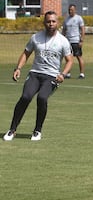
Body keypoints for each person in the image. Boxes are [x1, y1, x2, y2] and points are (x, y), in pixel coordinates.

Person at [3, 11, 73, 141]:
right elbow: (26, 54)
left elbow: (70, 60)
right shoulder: (36, 37)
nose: (51, 24)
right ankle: (12, 130)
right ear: (44, 23)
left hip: (51, 76)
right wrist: (18, 68)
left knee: (42, 98)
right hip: (35, 74)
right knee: (25, 97)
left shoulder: (63, 41)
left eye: (53, 21)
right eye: (48, 21)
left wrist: (63, 74)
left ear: (57, 23)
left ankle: (37, 131)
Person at [62, 4, 86, 79]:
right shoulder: (66, 19)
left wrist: (81, 40)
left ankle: (82, 73)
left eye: (72, 10)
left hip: (76, 40)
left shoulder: (78, 18)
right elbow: (64, 30)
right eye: (69, 10)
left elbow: (82, 29)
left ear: (75, 10)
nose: (70, 11)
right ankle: (68, 73)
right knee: (68, 57)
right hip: (68, 41)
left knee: (79, 57)